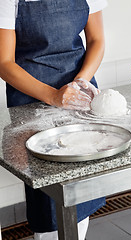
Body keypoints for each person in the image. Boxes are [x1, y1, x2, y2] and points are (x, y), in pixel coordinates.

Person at [0, 0, 107, 239]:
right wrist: (54, 96)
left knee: (82, 191)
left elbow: (96, 40)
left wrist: (80, 82)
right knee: (49, 202)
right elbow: (4, 62)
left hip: (80, 97)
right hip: (33, 104)